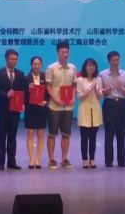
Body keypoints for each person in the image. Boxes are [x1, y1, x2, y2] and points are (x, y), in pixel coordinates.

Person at [45, 40, 78, 170]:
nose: (65, 54)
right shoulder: (51, 68)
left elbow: (74, 85)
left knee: (66, 134)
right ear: (57, 53)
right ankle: (51, 159)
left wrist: (73, 97)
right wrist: (55, 99)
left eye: (67, 52)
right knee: (52, 133)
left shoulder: (73, 68)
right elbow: (48, 86)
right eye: (62, 52)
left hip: (68, 106)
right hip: (54, 106)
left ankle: (64, 159)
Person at [0, 49, 27, 170]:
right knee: (1, 136)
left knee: (12, 137)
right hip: (2, 110)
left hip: (15, 110)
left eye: (15, 59)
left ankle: (11, 162)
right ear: (6, 59)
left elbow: (23, 91)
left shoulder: (20, 74)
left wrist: (22, 103)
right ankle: (1, 163)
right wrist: (6, 94)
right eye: (12, 59)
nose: (14, 61)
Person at [99, 51, 125, 168]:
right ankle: (108, 161)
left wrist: (121, 87)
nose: (116, 62)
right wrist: (110, 88)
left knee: (121, 133)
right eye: (113, 60)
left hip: (122, 103)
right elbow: (100, 92)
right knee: (109, 133)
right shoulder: (103, 74)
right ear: (109, 61)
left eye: (117, 60)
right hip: (109, 103)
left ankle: (122, 161)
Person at [77, 57, 104, 169]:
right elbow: (80, 97)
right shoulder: (80, 80)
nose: (90, 68)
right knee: (84, 138)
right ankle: (84, 160)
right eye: (88, 65)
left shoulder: (98, 80)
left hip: (95, 110)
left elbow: (100, 97)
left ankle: (92, 159)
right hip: (84, 110)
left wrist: (96, 90)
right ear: (85, 67)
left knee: (93, 138)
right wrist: (89, 89)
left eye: (93, 66)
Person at [25, 56, 49, 169]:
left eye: (39, 64)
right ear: (31, 65)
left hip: (42, 109)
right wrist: (28, 89)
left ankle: (38, 159)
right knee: (30, 133)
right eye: (35, 64)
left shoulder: (45, 76)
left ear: (41, 65)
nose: (37, 66)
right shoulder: (26, 78)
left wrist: (46, 101)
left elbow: (49, 92)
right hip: (30, 109)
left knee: (40, 134)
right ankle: (31, 160)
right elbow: (23, 94)